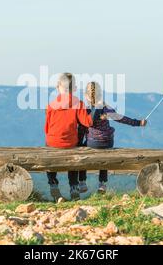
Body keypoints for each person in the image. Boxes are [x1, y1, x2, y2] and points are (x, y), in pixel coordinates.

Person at [79, 81, 146, 194]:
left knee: (81, 152)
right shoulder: (106, 107)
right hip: (107, 142)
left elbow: (81, 127)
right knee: (105, 157)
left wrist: (78, 142)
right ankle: (102, 184)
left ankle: (82, 182)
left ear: (86, 95)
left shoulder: (85, 109)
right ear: (101, 94)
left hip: (92, 142)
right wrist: (138, 123)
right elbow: (121, 119)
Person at [44, 73, 93, 201]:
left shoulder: (51, 105)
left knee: (48, 152)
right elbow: (88, 122)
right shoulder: (78, 103)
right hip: (70, 142)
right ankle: (74, 187)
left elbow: (47, 128)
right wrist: (94, 109)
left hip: (52, 142)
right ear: (75, 88)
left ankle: (53, 184)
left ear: (57, 87)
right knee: (74, 154)